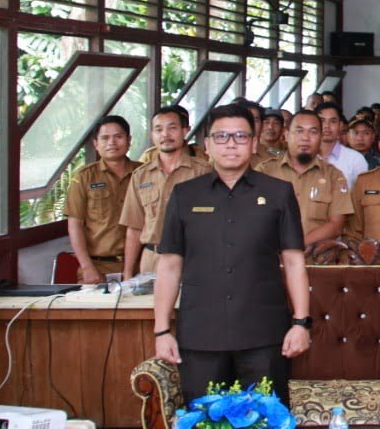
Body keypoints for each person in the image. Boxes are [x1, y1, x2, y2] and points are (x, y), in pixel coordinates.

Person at [152, 103, 311, 406]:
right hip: (201, 335)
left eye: (240, 137)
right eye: (221, 137)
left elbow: (293, 262)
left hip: (263, 335)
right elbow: (170, 265)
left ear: (253, 144)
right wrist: (162, 329)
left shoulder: (279, 192)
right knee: (205, 421)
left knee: (266, 422)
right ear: (207, 145)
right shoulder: (185, 195)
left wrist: (301, 323)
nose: (231, 144)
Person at [121, 106, 212, 278]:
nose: (165, 134)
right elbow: (134, 228)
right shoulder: (140, 176)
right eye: (158, 129)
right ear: (152, 135)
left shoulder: (203, 171)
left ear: (185, 131)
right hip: (151, 259)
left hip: (192, 258)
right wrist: (127, 273)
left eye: (172, 128)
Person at [256, 110, 354, 247]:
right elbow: (252, 218)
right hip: (271, 259)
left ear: (320, 137)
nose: (305, 138)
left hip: (316, 260)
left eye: (313, 132)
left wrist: (296, 246)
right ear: (286, 135)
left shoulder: (334, 176)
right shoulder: (264, 171)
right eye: (299, 131)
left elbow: (336, 225)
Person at [65, 116, 140, 283]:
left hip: (141, 265)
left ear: (129, 140)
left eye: (118, 137)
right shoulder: (84, 178)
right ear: (96, 144)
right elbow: (75, 224)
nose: (111, 143)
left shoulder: (144, 174)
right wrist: (86, 267)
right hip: (98, 266)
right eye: (105, 138)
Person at [316, 102, 369, 187]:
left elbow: (362, 197)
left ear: (340, 125)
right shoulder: (307, 157)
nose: (327, 126)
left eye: (333, 121)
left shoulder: (355, 159)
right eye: (322, 121)